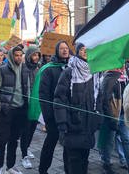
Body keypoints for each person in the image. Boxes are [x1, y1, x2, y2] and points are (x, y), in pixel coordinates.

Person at [54, 43, 103, 173]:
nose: (85, 52)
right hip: (73, 125)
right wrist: (62, 123)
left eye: (88, 49)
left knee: (84, 159)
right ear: (77, 52)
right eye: (82, 49)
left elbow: (99, 98)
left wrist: (98, 118)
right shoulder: (69, 72)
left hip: (88, 126)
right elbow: (59, 99)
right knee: (74, 161)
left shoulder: (95, 72)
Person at [0, 46, 30, 174]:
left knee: (14, 140)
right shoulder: (2, 70)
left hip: (20, 110)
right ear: (11, 56)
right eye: (16, 55)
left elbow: (27, 87)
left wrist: (27, 102)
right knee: (2, 140)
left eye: (20, 55)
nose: (19, 57)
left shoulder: (25, 69)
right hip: (6, 109)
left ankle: (10, 166)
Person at [37, 41, 70, 174]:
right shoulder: (49, 69)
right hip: (53, 116)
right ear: (57, 51)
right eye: (61, 48)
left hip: (67, 115)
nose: (64, 50)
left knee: (68, 145)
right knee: (50, 143)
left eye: (66, 48)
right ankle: (43, 169)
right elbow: (43, 95)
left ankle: (69, 170)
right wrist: (48, 117)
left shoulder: (72, 67)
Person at [98, 67, 129, 174]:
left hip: (123, 114)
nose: (122, 66)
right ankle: (106, 163)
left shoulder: (126, 75)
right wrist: (110, 118)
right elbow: (105, 99)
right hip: (113, 115)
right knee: (109, 141)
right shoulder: (109, 77)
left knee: (126, 139)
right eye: (120, 63)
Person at [20, 46, 41, 169]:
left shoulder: (38, 68)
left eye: (37, 55)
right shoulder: (23, 69)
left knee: (32, 129)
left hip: (36, 104)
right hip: (25, 104)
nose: (36, 57)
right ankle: (24, 156)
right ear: (28, 56)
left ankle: (26, 148)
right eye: (34, 55)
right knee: (25, 131)